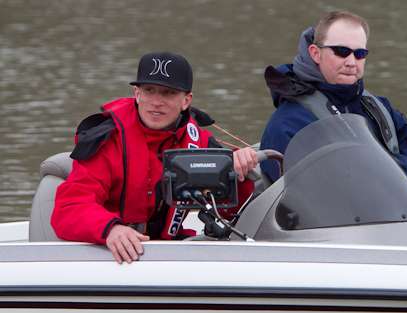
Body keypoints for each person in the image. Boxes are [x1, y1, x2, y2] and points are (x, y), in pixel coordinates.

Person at [51, 52, 258, 264]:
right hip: (112, 258)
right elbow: (68, 209)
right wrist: (111, 229)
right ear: (137, 94)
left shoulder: (201, 142)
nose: (156, 102)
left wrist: (239, 173)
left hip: (170, 255)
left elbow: (228, 214)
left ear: (186, 100)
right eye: (149, 91)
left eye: (168, 93)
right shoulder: (107, 140)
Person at [260, 11, 407, 195]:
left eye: (360, 54)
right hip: (352, 219)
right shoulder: (287, 123)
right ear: (316, 54)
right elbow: (300, 200)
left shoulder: (380, 107)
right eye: (342, 52)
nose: (351, 62)